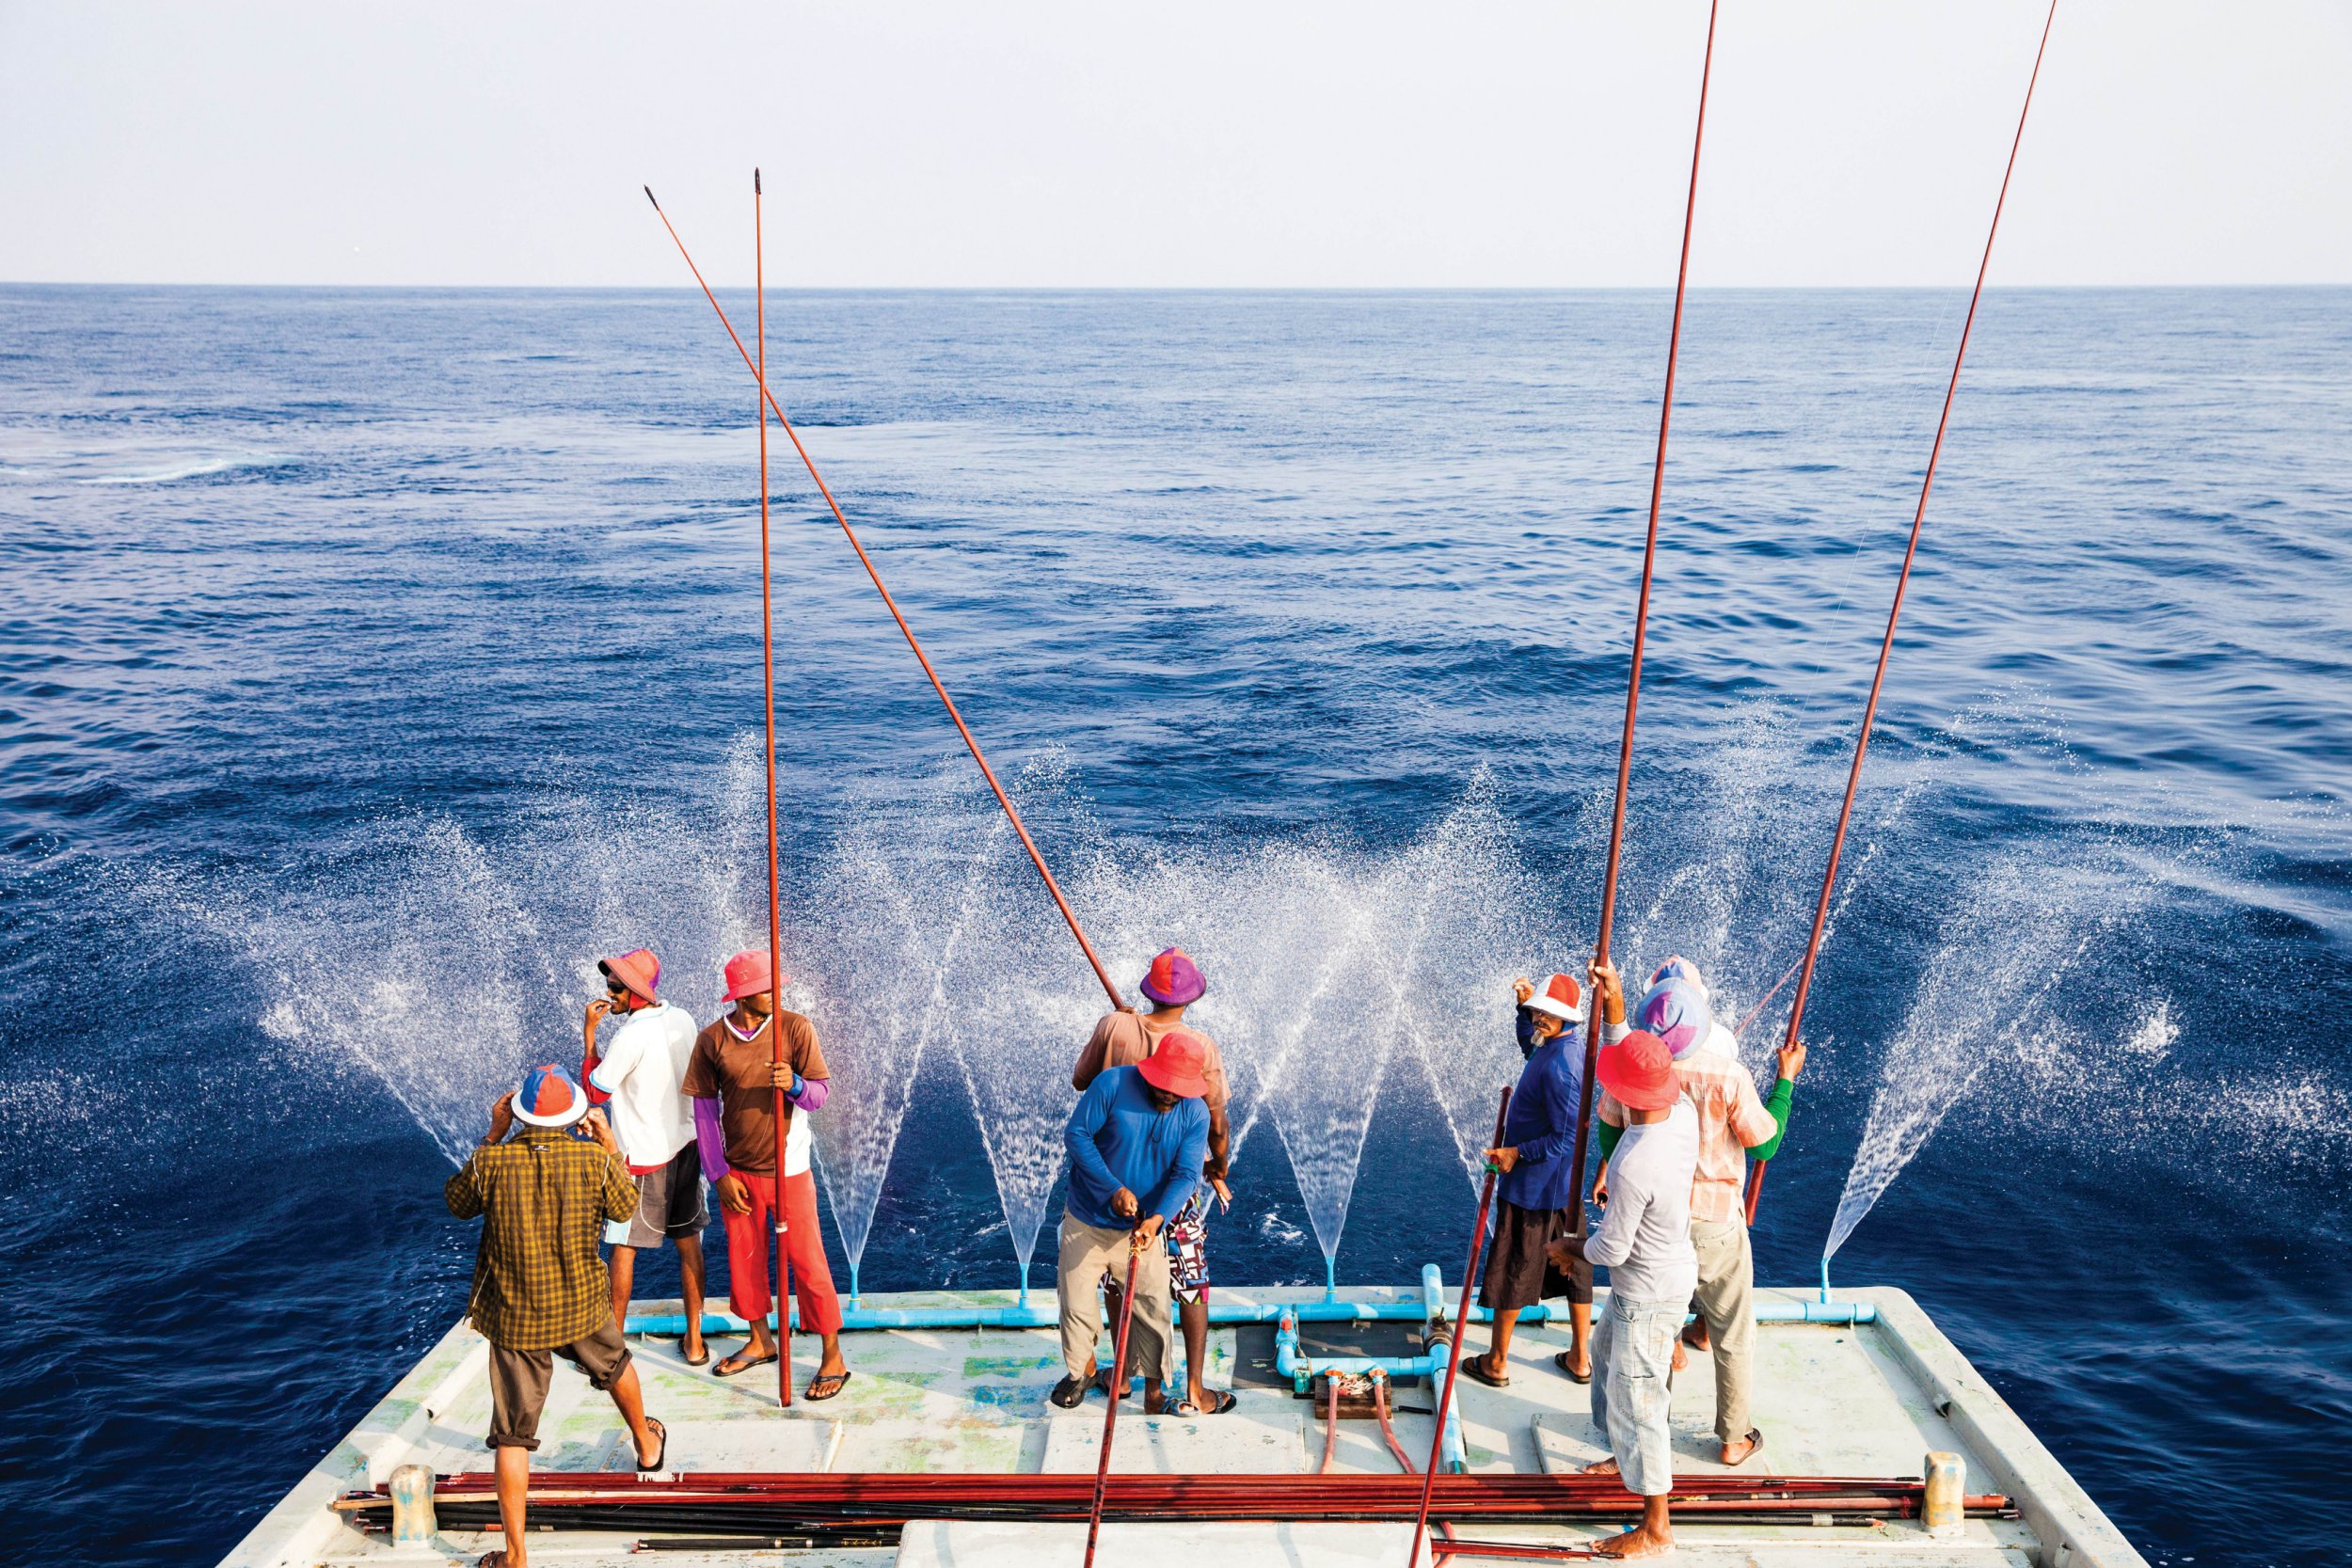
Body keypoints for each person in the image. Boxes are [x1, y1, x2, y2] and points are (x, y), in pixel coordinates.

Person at [444, 1064, 668, 1568]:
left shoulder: (491, 1162)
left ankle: (517, 1555)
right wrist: (609, 1143)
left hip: (515, 1314)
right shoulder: (591, 1159)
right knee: (615, 1366)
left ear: (519, 1114)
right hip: (581, 1304)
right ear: (573, 1115)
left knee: (512, 1434)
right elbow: (624, 1208)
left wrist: (492, 1134)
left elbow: (458, 1204)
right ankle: (647, 1445)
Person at [1599, 960, 1804, 1466]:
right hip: (1715, 1223)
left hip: (1656, 1225)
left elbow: (1609, 1134)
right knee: (1732, 1332)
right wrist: (1785, 1083)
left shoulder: (1635, 1066)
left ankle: (1648, 1435)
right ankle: (1734, 1438)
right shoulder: (1728, 1075)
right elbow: (1766, 1145)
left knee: (1653, 1334)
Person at [1547, 1029, 1697, 1561]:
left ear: (1629, 1096)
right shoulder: (1682, 1117)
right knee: (1609, 1358)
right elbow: (1635, 1054)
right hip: (1669, 1276)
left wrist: (1569, 1247)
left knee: (1641, 1404)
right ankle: (1619, 1452)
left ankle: (1656, 1527)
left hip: (1647, 1292)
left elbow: (1611, 1249)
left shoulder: (1634, 1163)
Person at [1072, 946, 1236, 1416]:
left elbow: (1081, 1081)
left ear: (1149, 989)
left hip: (1111, 1180)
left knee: (1116, 1276)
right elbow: (1216, 1121)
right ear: (1191, 997)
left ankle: (1122, 1375)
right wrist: (1217, 1168)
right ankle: (1196, 1390)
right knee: (1190, 1282)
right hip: (1171, 1190)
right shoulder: (1199, 1046)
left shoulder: (1114, 1026)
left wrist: (1119, 1036)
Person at [681, 948, 850, 1399]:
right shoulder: (711, 1040)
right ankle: (761, 1341)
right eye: (765, 989)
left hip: (789, 1170)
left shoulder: (795, 1029)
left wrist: (793, 1084)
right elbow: (703, 1115)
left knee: (809, 1262)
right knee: (746, 1262)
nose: (776, 994)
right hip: (738, 1174)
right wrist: (718, 1174)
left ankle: (832, 1356)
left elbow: (818, 1097)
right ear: (742, 996)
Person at [1463, 962, 1628, 1390]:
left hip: (1536, 1191)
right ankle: (1578, 1357)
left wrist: (1517, 1152)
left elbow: (1566, 1136)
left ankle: (1497, 1361)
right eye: (1538, 1011)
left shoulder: (1563, 1068)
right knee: (1575, 1265)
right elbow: (1530, 1048)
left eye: (1545, 1013)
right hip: (1562, 1190)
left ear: (1568, 1018)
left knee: (1515, 1267)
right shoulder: (1553, 1043)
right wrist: (1523, 1010)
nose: (1539, 1018)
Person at [1051, 1030, 1213, 1415]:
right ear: (1150, 1071)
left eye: (1180, 1089)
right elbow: (1076, 1134)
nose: (1170, 1094)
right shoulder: (1113, 1083)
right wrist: (1111, 1189)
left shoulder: (1196, 1113)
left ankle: (1153, 1392)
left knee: (1153, 1309)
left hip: (1141, 1230)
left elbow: (1187, 1174)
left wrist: (1157, 1219)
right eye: (1164, 1085)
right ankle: (1084, 1371)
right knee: (1075, 1306)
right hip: (1087, 1218)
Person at [580, 947, 709, 1366]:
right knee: (689, 1245)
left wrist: (589, 1034)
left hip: (640, 1161)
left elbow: (595, 1092)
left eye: (617, 988)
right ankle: (694, 1342)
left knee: (622, 1250)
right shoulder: (684, 1018)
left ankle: (612, 1352)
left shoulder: (630, 1035)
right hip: (686, 1148)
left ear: (636, 992)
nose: (609, 994)